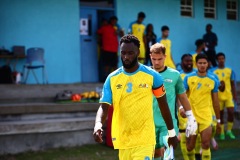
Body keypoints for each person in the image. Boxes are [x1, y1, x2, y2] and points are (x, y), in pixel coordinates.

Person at [93, 35, 178, 160]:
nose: (126, 57)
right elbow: (104, 106)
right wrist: (98, 124)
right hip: (123, 140)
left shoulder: (153, 76)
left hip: (145, 139)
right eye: (123, 53)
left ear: (138, 52)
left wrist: (171, 132)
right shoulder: (112, 79)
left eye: (130, 53)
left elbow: (163, 105)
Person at [150, 43, 197, 160]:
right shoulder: (145, 74)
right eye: (154, 59)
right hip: (149, 122)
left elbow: (182, 97)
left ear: (165, 57)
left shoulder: (175, 75)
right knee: (156, 154)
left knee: (167, 152)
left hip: (169, 123)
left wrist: (191, 117)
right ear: (150, 56)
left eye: (159, 59)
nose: (156, 62)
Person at [184, 54, 221, 160]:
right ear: (196, 64)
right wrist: (182, 108)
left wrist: (218, 120)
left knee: (205, 144)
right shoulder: (188, 78)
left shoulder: (213, 80)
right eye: (200, 63)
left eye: (204, 63)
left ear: (208, 64)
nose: (202, 65)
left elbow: (216, 102)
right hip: (192, 117)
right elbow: (182, 96)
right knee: (190, 147)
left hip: (206, 116)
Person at [210, 52, 238, 140]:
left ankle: (229, 131)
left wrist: (235, 95)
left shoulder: (230, 70)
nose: (221, 60)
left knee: (231, 112)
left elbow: (233, 84)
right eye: (219, 59)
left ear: (224, 59)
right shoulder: (213, 71)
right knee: (220, 115)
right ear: (217, 60)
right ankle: (222, 132)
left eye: (222, 58)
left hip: (228, 96)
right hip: (218, 97)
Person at [178, 54, 200, 160]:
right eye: (186, 61)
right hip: (183, 110)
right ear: (182, 62)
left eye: (190, 61)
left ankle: (197, 155)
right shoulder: (178, 76)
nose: (189, 63)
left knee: (196, 134)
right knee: (184, 135)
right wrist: (180, 107)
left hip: (198, 109)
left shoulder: (198, 74)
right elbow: (177, 94)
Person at [97, 16, 124, 82]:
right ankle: (105, 79)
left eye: (115, 21)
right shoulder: (105, 27)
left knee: (115, 65)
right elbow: (98, 33)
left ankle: (117, 79)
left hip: (114, 50)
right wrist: (100, 43)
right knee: (106, 65)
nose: (114, 22)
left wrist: (119, 30)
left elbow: (122, 35)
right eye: (113, 21)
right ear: (110, 21)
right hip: (106, 49)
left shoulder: (116, 28)